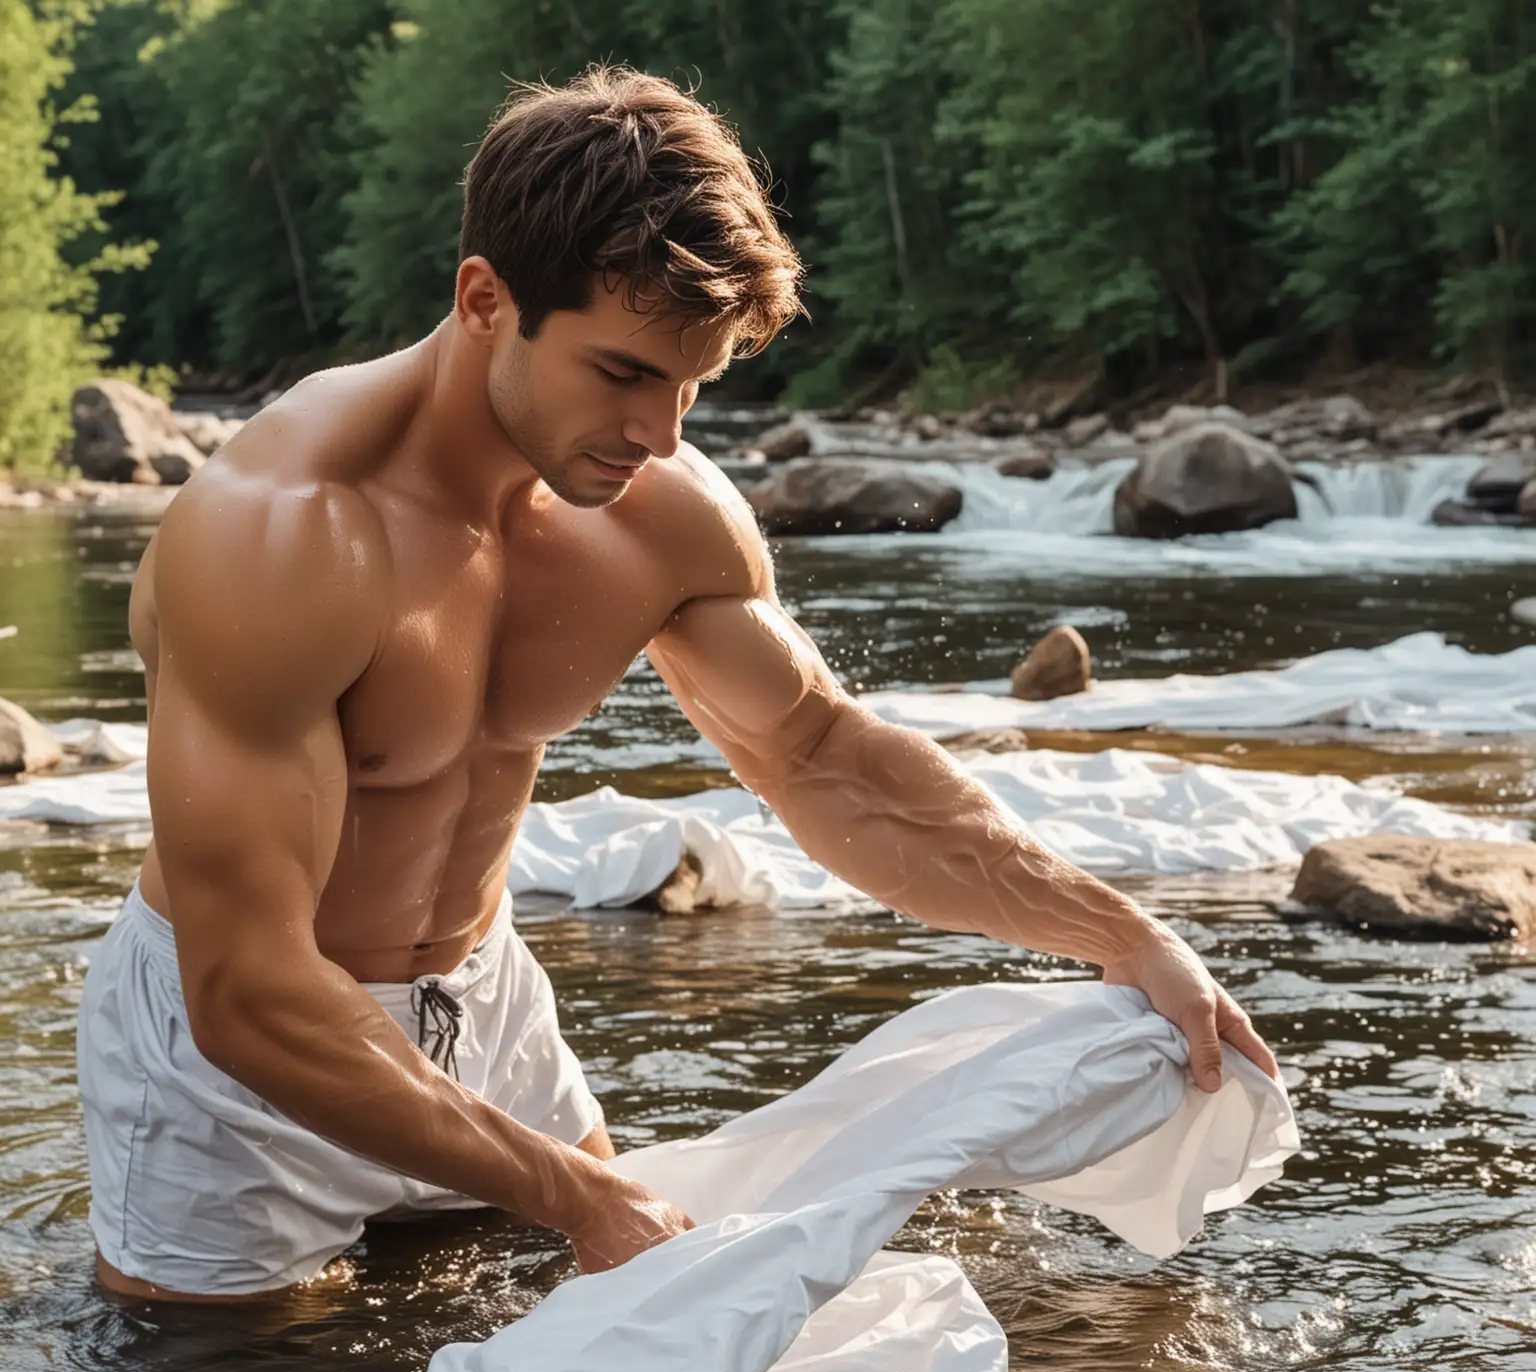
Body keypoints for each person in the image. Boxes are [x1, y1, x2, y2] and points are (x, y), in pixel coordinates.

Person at [75, 65, 1279, 1304]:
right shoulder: (281, 537)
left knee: (627, 1368)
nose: (662, 434)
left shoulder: (659, 512)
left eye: (694, 382)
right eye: (624, 374)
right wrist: (574, 1189)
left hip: (483, 1000)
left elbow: (822, 760)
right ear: (486, 300)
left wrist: (1124, 936)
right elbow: (247, 992)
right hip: (247, 1059)